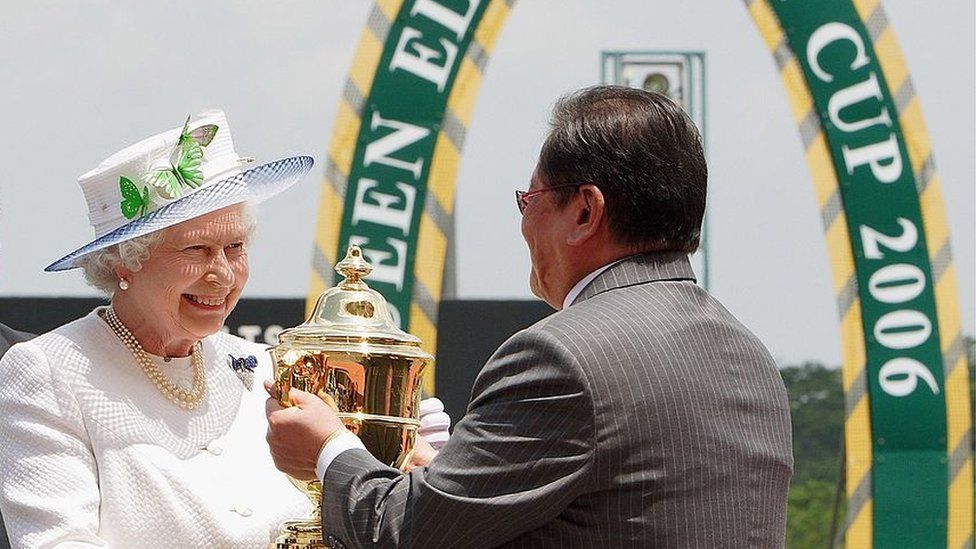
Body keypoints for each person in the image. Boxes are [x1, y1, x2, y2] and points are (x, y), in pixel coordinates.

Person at [264, 86, 794, 548]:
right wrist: (439, 478)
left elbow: (400, 533)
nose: (523, 224)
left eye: (529, 199)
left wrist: (330, 451)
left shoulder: (561, 358)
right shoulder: (751, 356)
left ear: (585, 211)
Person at [0, 110, 319, 547]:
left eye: (235, 247)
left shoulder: (263, 367)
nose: (223, 273)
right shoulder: (50, 372)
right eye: (198, 249)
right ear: (123, 262)